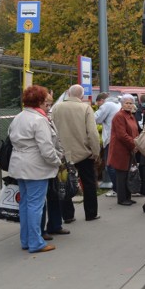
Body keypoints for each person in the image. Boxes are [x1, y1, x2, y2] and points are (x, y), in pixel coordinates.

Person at [8, 85, 62, 253]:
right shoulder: (39, 120)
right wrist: (57, 161)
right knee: (35, 206)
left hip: (19, 164)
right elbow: (46, 149)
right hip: (36, 167)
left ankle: (26, 240)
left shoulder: (19, 117)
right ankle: (36, 242)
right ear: (39, 101)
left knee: (25, 204)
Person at [51, 84, 102, 222]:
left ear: (68, 93)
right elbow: (92, 132)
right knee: (89, 183)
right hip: (83, 152)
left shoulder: (56, 107)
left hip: (63, 153)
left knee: (64, 183)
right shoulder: (85, 108)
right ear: (82, 96)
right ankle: (91, 213)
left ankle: (67, 215)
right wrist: (96, 152)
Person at [40, 93, 70, 239]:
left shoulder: (48, 116)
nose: (48, 106)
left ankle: (55, 225)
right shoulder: (36, 119)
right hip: (43, 165)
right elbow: (45, 146)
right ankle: (41, 230)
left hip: (53, 162)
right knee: (41, 200)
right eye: (46, 103)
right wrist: (57, 160)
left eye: (50, 103)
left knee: (55, 195)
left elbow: (55, 139)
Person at [107, 94, 139, 206]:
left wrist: (136, 143)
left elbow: (135, 131)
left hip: (129, 148)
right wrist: (133, 144)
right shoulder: (119, 116)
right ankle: (122, 199)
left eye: (131, 103)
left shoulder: (130, 115)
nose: (129, 105)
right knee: (122, 175)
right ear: (122, 104)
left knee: (128, 173)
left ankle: (128, 197)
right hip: (120, 150)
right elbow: (121, 135)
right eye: (127, 103)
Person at [94, 93, 120, 197]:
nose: (99, 106)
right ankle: (122, 188)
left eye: (99, 103)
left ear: (102, 100)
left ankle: (117, 189)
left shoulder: (107, 105)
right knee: (118, 166)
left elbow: (95, 119)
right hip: (118, 139)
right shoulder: (118, 104)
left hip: (110, 139)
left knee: (110, 165)